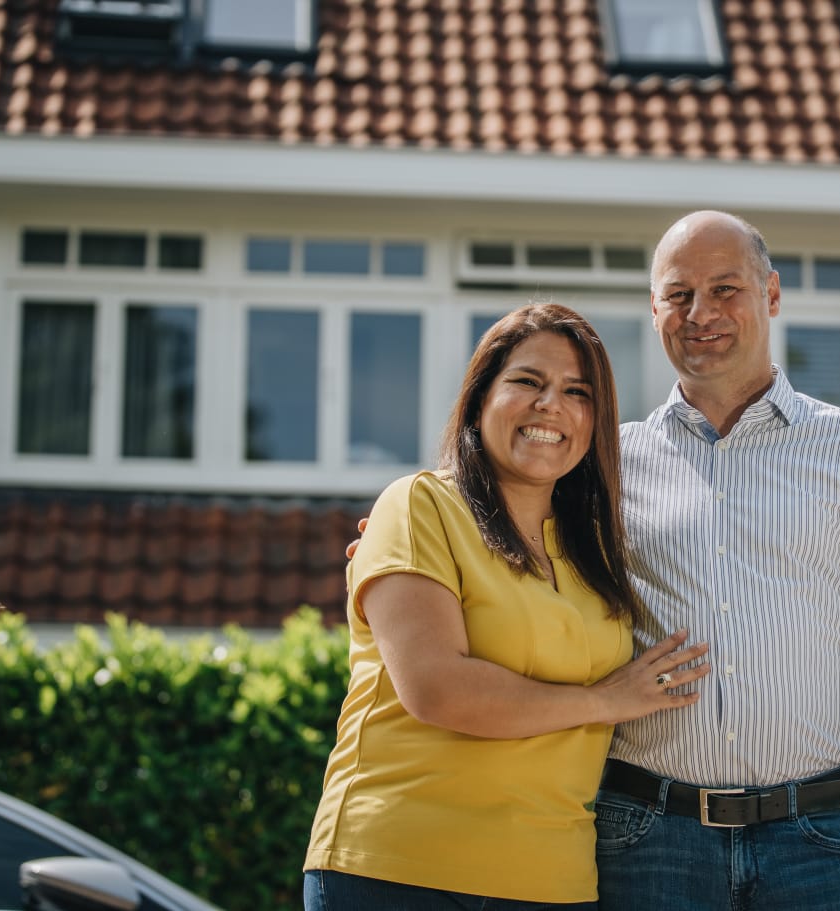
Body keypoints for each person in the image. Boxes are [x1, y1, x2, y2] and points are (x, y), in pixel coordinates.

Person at [588, 211, 840, 911]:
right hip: (651, 839)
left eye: (725, 289)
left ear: (771, 294)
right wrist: (409, 537)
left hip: (820, 841)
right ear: (654, 310)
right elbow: (515, 556)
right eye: (678, 295)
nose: (700, 313)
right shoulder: (609, 465)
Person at [304, 303, 710, 910]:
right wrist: (604, 700)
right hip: (400, 867)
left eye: (577, 391)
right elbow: (438, 689)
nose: (551, 404)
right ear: (479, 397)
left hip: (552, 879)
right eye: (527, 381)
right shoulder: (419, 506)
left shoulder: (597, 549)